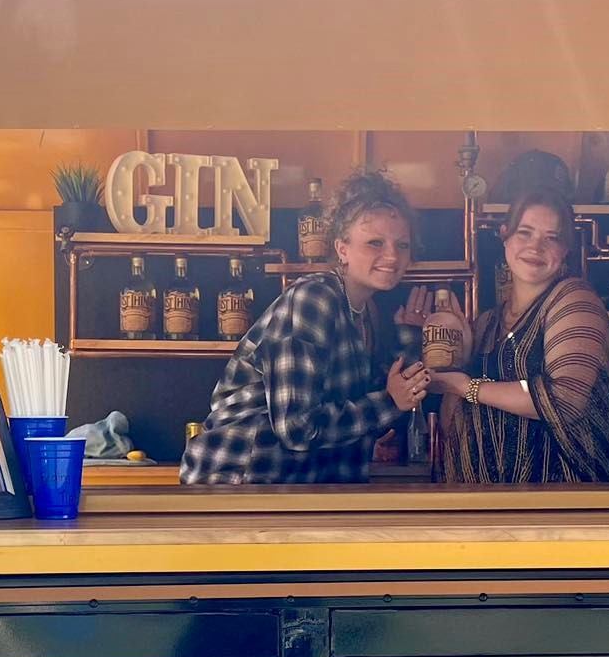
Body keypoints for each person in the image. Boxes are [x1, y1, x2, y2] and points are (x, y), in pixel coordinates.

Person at [181, 169, 431, 484]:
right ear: (342, 248)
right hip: (241, 481)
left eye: (402, 245)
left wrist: (409, 338)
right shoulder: (314, 298)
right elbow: (297, 428)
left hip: (296, 486)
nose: (392, 256)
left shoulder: (365, 313)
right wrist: (389, 402)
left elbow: (377, 404)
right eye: (375, 243)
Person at [431, 190, 609, 483]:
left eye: (552, 237)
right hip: (491, 500)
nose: (535, 247)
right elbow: (451, 423)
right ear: (505, 235)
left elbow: (566, 400)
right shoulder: (487, 323)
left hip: (565, 498)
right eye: (525, 233)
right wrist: (462, 358)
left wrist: (466, 386)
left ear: (565, 249)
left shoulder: (574, 299)